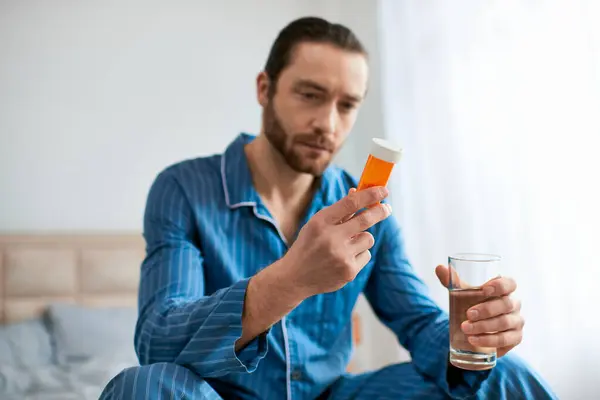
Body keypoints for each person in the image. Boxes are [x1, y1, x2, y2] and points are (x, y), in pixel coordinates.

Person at [100, 16, 556, 400]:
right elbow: (158, 337)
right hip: (219, 395)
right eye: (309, 95)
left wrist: (466, 337)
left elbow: (420, 323)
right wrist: (290, 280)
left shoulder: (365, 205)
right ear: (265, 89)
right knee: (144, 386)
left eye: (347, 105)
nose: (327, 124)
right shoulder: (182, 188)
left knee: (504, 376)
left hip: (330, 395)